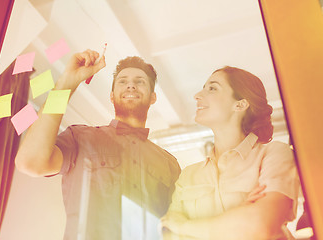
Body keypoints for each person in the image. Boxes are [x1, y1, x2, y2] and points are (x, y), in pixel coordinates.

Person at [15, 49, 181, 240]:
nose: (131, 86)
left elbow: (174, 229)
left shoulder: (170, 164)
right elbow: (29, 162)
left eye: (140, 82)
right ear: (111, 96)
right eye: (123, 81)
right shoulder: (80, 137)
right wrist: (66, 84)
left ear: (153, 97)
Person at [160, 66, 300, 240]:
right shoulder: (188, 176)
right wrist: (240, 216)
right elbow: (167, 233)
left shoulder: (275, 153)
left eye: (212, 88)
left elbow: (260, 225)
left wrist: (184, 226)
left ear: (240, 104)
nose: (197, 95)